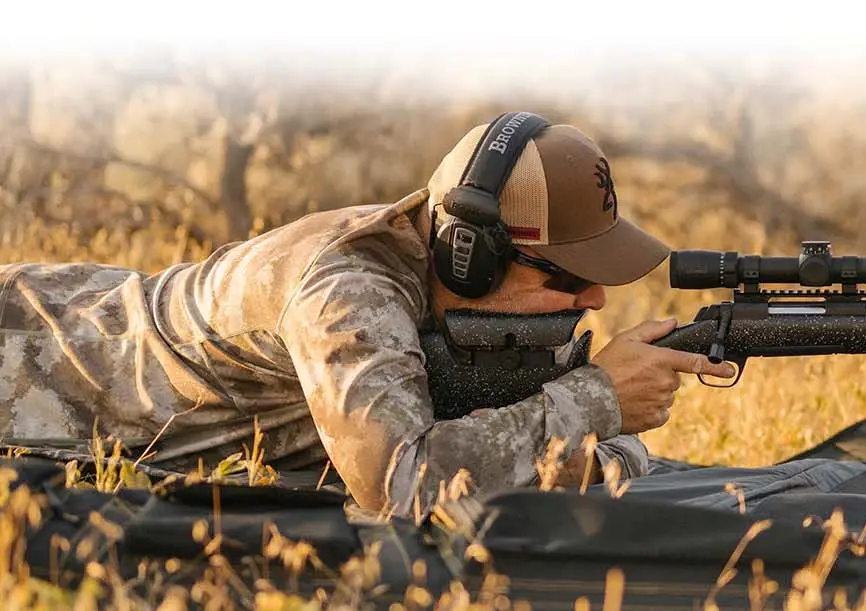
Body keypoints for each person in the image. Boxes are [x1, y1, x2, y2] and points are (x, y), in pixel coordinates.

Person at [0, 111, 734, 517]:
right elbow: (404, 484)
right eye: (571, 277)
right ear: (470, 255)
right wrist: (595, 399)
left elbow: (481, 453)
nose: (594, 301)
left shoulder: (426, 264)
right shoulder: (346, 291)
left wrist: (602, 442)